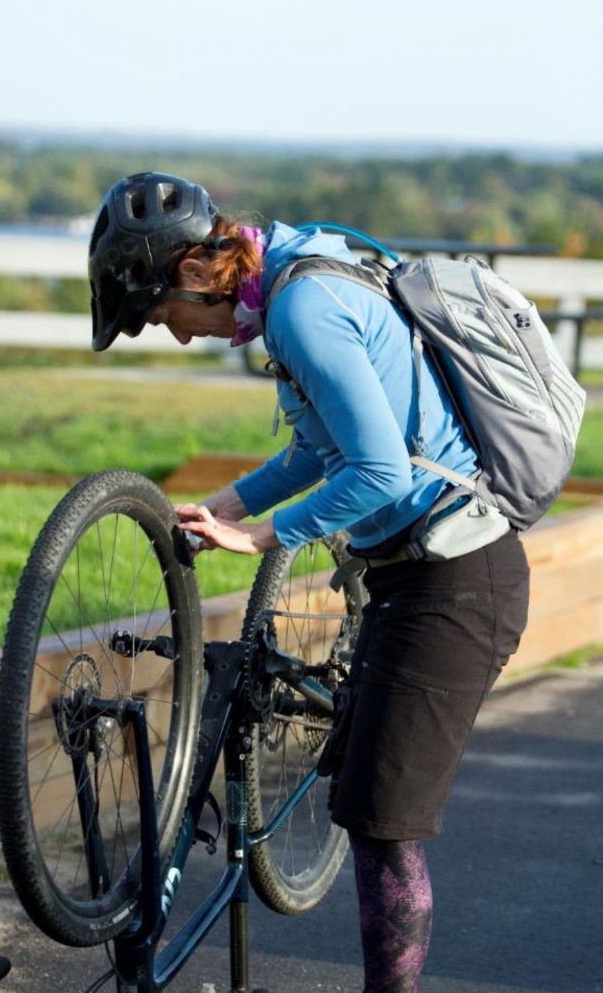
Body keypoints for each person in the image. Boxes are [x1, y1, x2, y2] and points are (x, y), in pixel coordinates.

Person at [89, 171, 530, 993]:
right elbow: (311, 451)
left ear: (191, 274)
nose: (177, 337)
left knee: (383, 824)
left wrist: (260, 536)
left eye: (160, 319)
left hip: (460, 584)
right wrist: (222, 505)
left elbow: (377, 469)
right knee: (371, 811)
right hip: (415, 578)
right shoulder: (289, 282)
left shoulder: (300, 308)